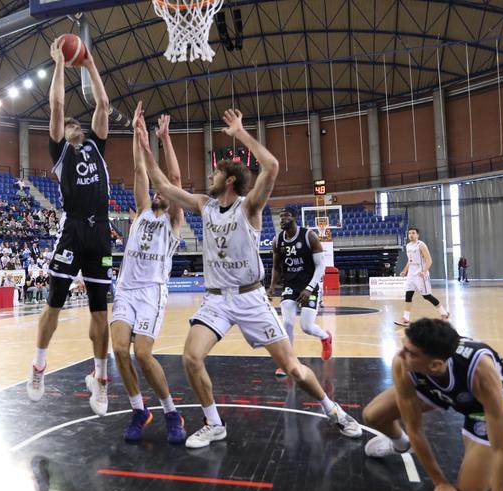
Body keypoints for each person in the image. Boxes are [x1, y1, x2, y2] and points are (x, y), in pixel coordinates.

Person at [137, 107, 361, 448]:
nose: (209, 177)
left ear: (229, 180)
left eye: (215, 173)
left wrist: (240, 133)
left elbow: (271, 166)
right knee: (191, 357)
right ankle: (214, 422)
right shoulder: (204, 205)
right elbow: (163, 185)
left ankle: (334, 410)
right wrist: (146, 141)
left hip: (250, 296)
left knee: (293, 368)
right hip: (216, 298)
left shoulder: (249, 206)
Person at [28, 38, 113, 416]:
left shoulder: (97, 144)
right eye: (69, 125)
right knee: (54, 305)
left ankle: (101, 379)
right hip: (73, 230)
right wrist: (61, 63)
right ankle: (38, 366)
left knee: (100, 313)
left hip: (100, 232)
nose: (74, 124)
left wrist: (90, 63)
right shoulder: (59, 151)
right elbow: (58, 105)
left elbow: (104, 104)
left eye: (79, 123)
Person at [362, 319, 503, 491]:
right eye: (403, 346)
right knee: (373, 415)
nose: (400, 354)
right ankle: (402, 445)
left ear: (435, 364)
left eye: (409, 352)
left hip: (478, 407)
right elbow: (413, 426)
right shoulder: (402, 363)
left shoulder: (481, 373)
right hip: (434, 384)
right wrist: (439, 481)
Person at [109, 106, 186, 443]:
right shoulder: (142, 212)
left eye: (162, 192)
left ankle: (171, 411)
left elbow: (176, 181)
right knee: (119, 350)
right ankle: (139, 409)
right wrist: (137, 135)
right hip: (126, 288)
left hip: (152, 292)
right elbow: (140, 170)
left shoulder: (173, 222)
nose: (158, 192)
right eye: (156, 191)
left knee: (142, 353)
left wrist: (164, 139)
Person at [269, 208, 333, 361]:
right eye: (281, 216)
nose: (283, 219)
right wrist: (272, 286)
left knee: (306, 327)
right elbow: (276, 267)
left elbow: (320, 266)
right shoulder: (277, 240)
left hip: (309, 286)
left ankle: (325, 337)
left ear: (295, 218)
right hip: (290, 285)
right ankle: (288, 361)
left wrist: (309, 289)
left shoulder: (309, 236)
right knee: (287, 323)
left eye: (286, 216)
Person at [396, 228, 449, 326]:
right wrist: (404, 270)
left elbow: (429, 260)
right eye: (409, 233)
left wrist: (424, 271)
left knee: (427, 296)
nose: (411, 235)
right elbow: (410, 260)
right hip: (411, 274)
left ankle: (444, 313)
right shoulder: (408, 246)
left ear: (417, 235)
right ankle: (405, 318)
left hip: (420, 274)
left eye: (413, 233)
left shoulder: (421, 245)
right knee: (408, 295)